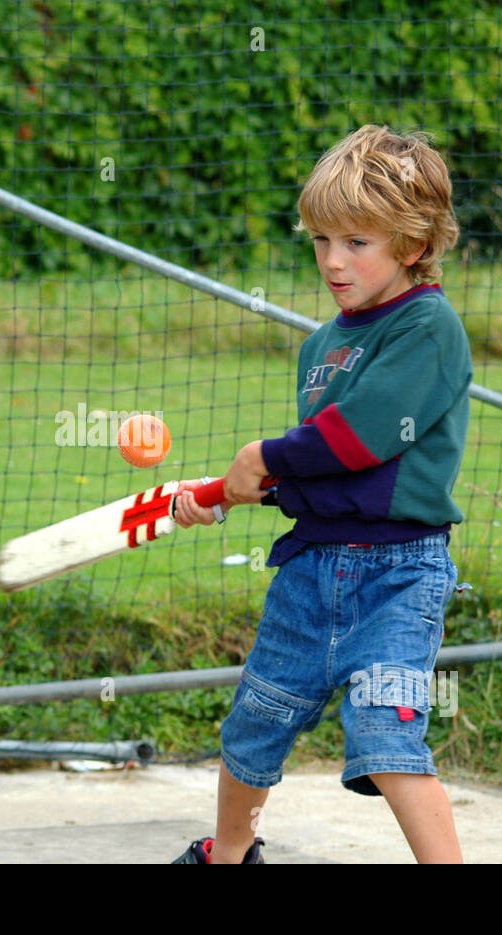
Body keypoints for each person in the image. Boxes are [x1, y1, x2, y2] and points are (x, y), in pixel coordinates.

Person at [170, 125, 472, 864]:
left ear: (412, 241)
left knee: (384, 728)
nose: (333, 260)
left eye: (357, 242)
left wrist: (260, 457)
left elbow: (365, 437)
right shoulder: (321, 346)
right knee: (254, 724)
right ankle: (231, 853)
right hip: (309, 576)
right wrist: (235, 492)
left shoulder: (428, 326)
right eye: (320, 240)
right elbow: (330, 475)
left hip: (399, 578)